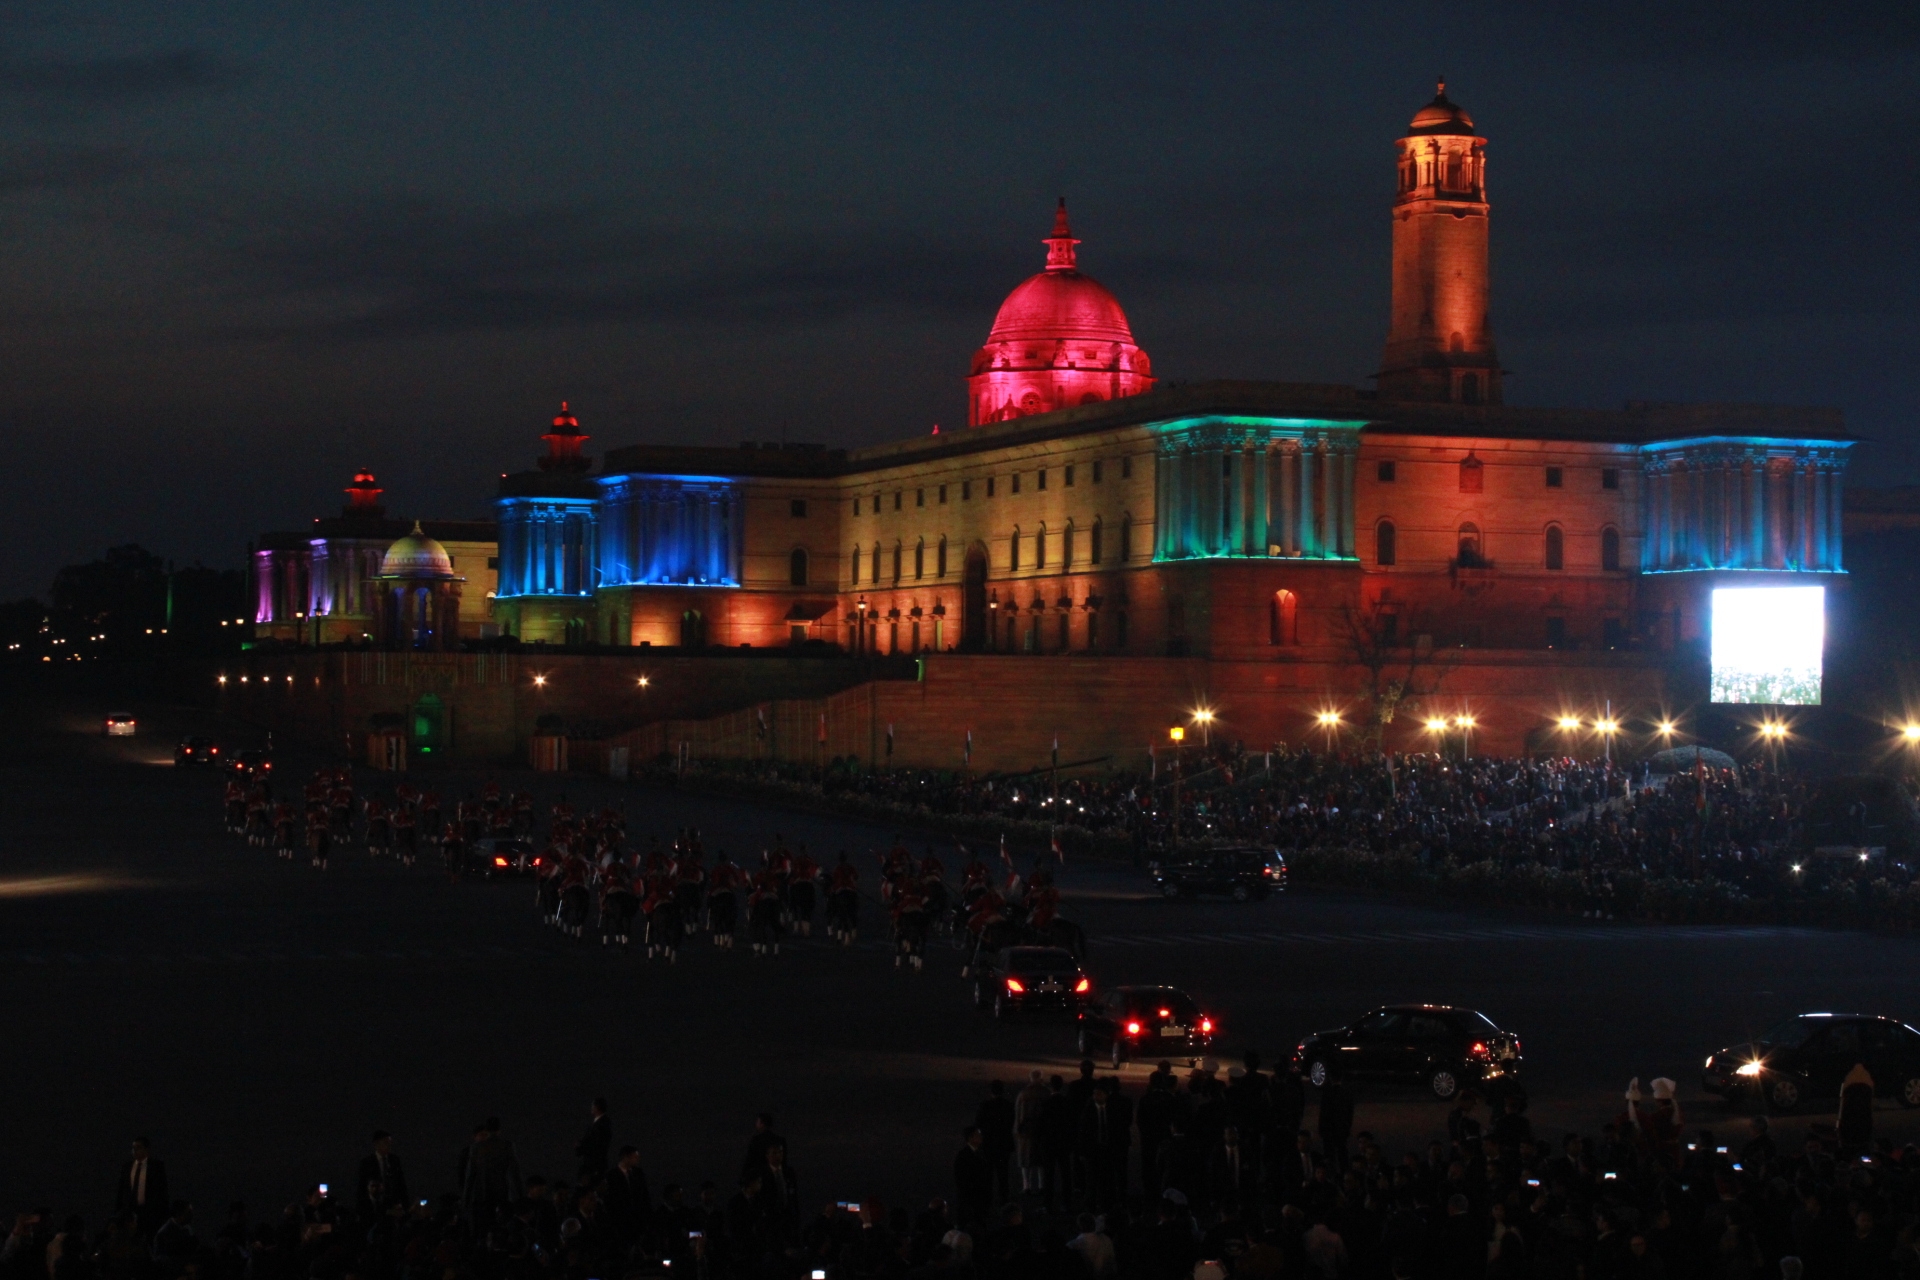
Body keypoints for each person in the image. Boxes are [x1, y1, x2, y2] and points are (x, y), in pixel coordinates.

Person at [115, 1138, 169, 1239]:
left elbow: (162, 1191)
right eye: (133, 1148)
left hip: (149, 1213)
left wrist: (161, 1213)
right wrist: (119, 1210)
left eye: (138, 1148)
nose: (134, 1151)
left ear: (146, 1149)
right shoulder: (127, 1167)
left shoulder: (156, 1167)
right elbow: (122, 1190)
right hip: (130, 1213)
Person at [974, 1082, 1015, 1207]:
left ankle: (988, 1200)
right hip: (1004, 1144)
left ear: (991, 1092)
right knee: (1003, 1174)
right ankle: (1004, 1199)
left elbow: (978, 1124)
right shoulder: (1008, 1105)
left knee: (988, 1174)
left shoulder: (985, 1105)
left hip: (989, 1144)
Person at [356, 1130, 409, 1218]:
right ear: (376, 1144)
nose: (389, 1146)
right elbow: (362, 1187)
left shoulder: (394, 1160)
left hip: (393, 1205)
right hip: (375, 1208)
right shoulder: (367, 1163)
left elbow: (401, 1184)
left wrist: (404, 1205)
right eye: (385, 1143)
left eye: (389, 1143)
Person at [952, 1127, 992, 1233]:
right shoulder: (964, 1156)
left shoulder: (977, 1153)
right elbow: (962, 1181)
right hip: (971, 1198)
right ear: (971, 1138)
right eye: (978, 1135)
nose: (981, 1137)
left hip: (977, 1197)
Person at [1317, 1079, 1355, 1172]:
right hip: (1341, 1128)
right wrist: (1347, 1126)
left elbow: (1323, 1112)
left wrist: (1321, 1128)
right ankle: (1344, 1172)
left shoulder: (1327, 1092)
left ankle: (1331, 1173)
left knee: (1329, 1154)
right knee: (1342, 1152)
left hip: (1328, 1128)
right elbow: (1350, 1111)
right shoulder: (1346, 1092)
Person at [1838, 1063, 1875, 1154]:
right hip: (1863, 1121)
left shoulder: (1849, 1076)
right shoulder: (1866, 1076)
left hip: (1849, 1120)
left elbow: (1842, 1104)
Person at [1066, 1213, 1116, 1279]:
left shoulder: (1073, 1245)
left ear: (1079, 1226)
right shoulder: (1106, 1239)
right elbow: (1112, 1263)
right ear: (1094, 1224)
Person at [575, 1097, 612, 1183]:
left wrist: (581, 1147)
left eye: (592, 1106)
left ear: (597, 1107)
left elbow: (596, 1144)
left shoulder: (602, 1124)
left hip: (594, 1164)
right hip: (594, 1163)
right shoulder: (600, 1123)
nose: (591, 1108)